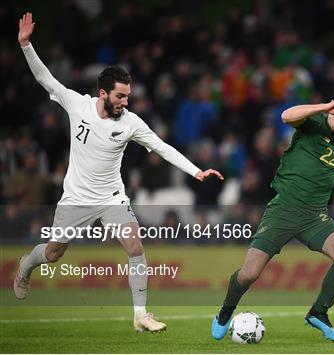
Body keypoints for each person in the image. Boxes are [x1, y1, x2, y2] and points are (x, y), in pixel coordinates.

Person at [13, 13, 224, 333]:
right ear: (103, 94)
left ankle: (140, 315)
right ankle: (26, 265)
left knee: (135, 247)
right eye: (120, 96)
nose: (126, 102)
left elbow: (161, 147)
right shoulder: (77, 105)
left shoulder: (131, 123)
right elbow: (46, 79)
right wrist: (26, 45)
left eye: (128, 95)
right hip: (76, 197)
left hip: (112, 197)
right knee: (54, 254)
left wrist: (196, 172)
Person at [211, 87, 334, 341]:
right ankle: (225, 312)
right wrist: (324, 106)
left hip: (315, 216)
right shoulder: (313, 122)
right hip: (283, 210)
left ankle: (318, 313)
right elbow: (286, 116)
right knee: (249, 274)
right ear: (332, 105)